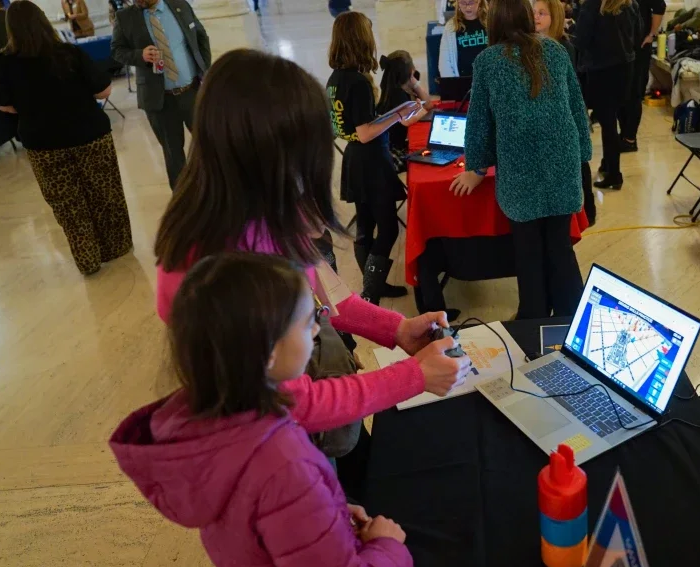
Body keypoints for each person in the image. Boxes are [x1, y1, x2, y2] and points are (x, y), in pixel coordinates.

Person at [153, 49, 469, 431]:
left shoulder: (252, 212)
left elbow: (327, 293)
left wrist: (398, 329)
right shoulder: (231, 261)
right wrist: (414, 376)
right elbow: (294, 403)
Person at [110, 253, 420, 567]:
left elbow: (259, 517)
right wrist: (387, 547)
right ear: (268, 352)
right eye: (308, 322)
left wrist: (325, 515)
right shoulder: (285, 467)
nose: (317, 329)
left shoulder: (217, 420)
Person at [451, 0, 590, 319]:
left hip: (519, 167)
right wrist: (582, 157)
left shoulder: (488, 60)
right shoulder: (555, 50)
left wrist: (476, 167)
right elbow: (577, 105)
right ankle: (570, 319)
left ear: (494, 21)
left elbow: (479, 122)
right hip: (562, 161)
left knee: (528, 251)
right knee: (559, 247)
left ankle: (534, 318)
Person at [0, 0, 132, 275]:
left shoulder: (2, 63)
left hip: (44, 145)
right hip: (90, 135)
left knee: (68, 206)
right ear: (43, 22)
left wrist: (29, 105)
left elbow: (3, 105)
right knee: (105, 195)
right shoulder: (68, 53)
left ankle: (87, 259)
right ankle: (117, 247)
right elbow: (103, 91)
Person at [328, 12, 425, 304]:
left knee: (365, 227)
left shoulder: (335, 79)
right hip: (370, 160)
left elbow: (354, 127)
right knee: (388, 228)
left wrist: (387, 115)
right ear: (361, 39)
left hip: (355, 159)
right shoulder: (358, 82)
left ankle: (374, 286)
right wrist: (399, 114)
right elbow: (366, 132)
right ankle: (371, 292)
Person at [111, 0, 210, 189]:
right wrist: (139, 55)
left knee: (209, 145)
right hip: (160, 100)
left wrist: (206, 71)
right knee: (173, 156)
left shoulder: (179, 5)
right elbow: (117, 50)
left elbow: (200, 36)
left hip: (192, 92)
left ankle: (215, 191)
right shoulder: (125, 17)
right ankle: (183, 200)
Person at [533, 0, 595, 225]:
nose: (536, 17)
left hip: (567, 111)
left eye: (542, 13)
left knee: (579, 161)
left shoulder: (562, 47)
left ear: (555, 18)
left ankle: (588, 209)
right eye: (534, 12)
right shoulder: (532, 45)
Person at [575, 0, 639, 190]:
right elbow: (637, 34)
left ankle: (614, 174)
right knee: (612, 120)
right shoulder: (629, 4)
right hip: (625, 67)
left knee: (607, 123)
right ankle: (608, 164)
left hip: (602, 69)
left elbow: (581, 40)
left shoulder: (593, 6)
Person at [617, 0, 664, 152]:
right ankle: (624, 134)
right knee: (622, 92)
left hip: (640, 46)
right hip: (622, 47)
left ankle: (630, 139)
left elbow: (660, 6)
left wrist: (651, 34)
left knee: (634, 92)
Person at [377, 50, 434, 167]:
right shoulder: (398, 96)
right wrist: (415, 84)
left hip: (388, 147)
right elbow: (427, 106)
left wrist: (413, 83)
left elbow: (428, 103)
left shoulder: (392, 89)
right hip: (393, 153)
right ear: (409, 71)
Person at [438, 0, 488, 77]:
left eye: (471, 2)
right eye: (463, 3)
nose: (468, 7)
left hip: (488, 77)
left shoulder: (490, 22)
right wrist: (453, 82)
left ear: (479, 2)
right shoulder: (450, 26)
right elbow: (444, 62)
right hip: (462, 79)